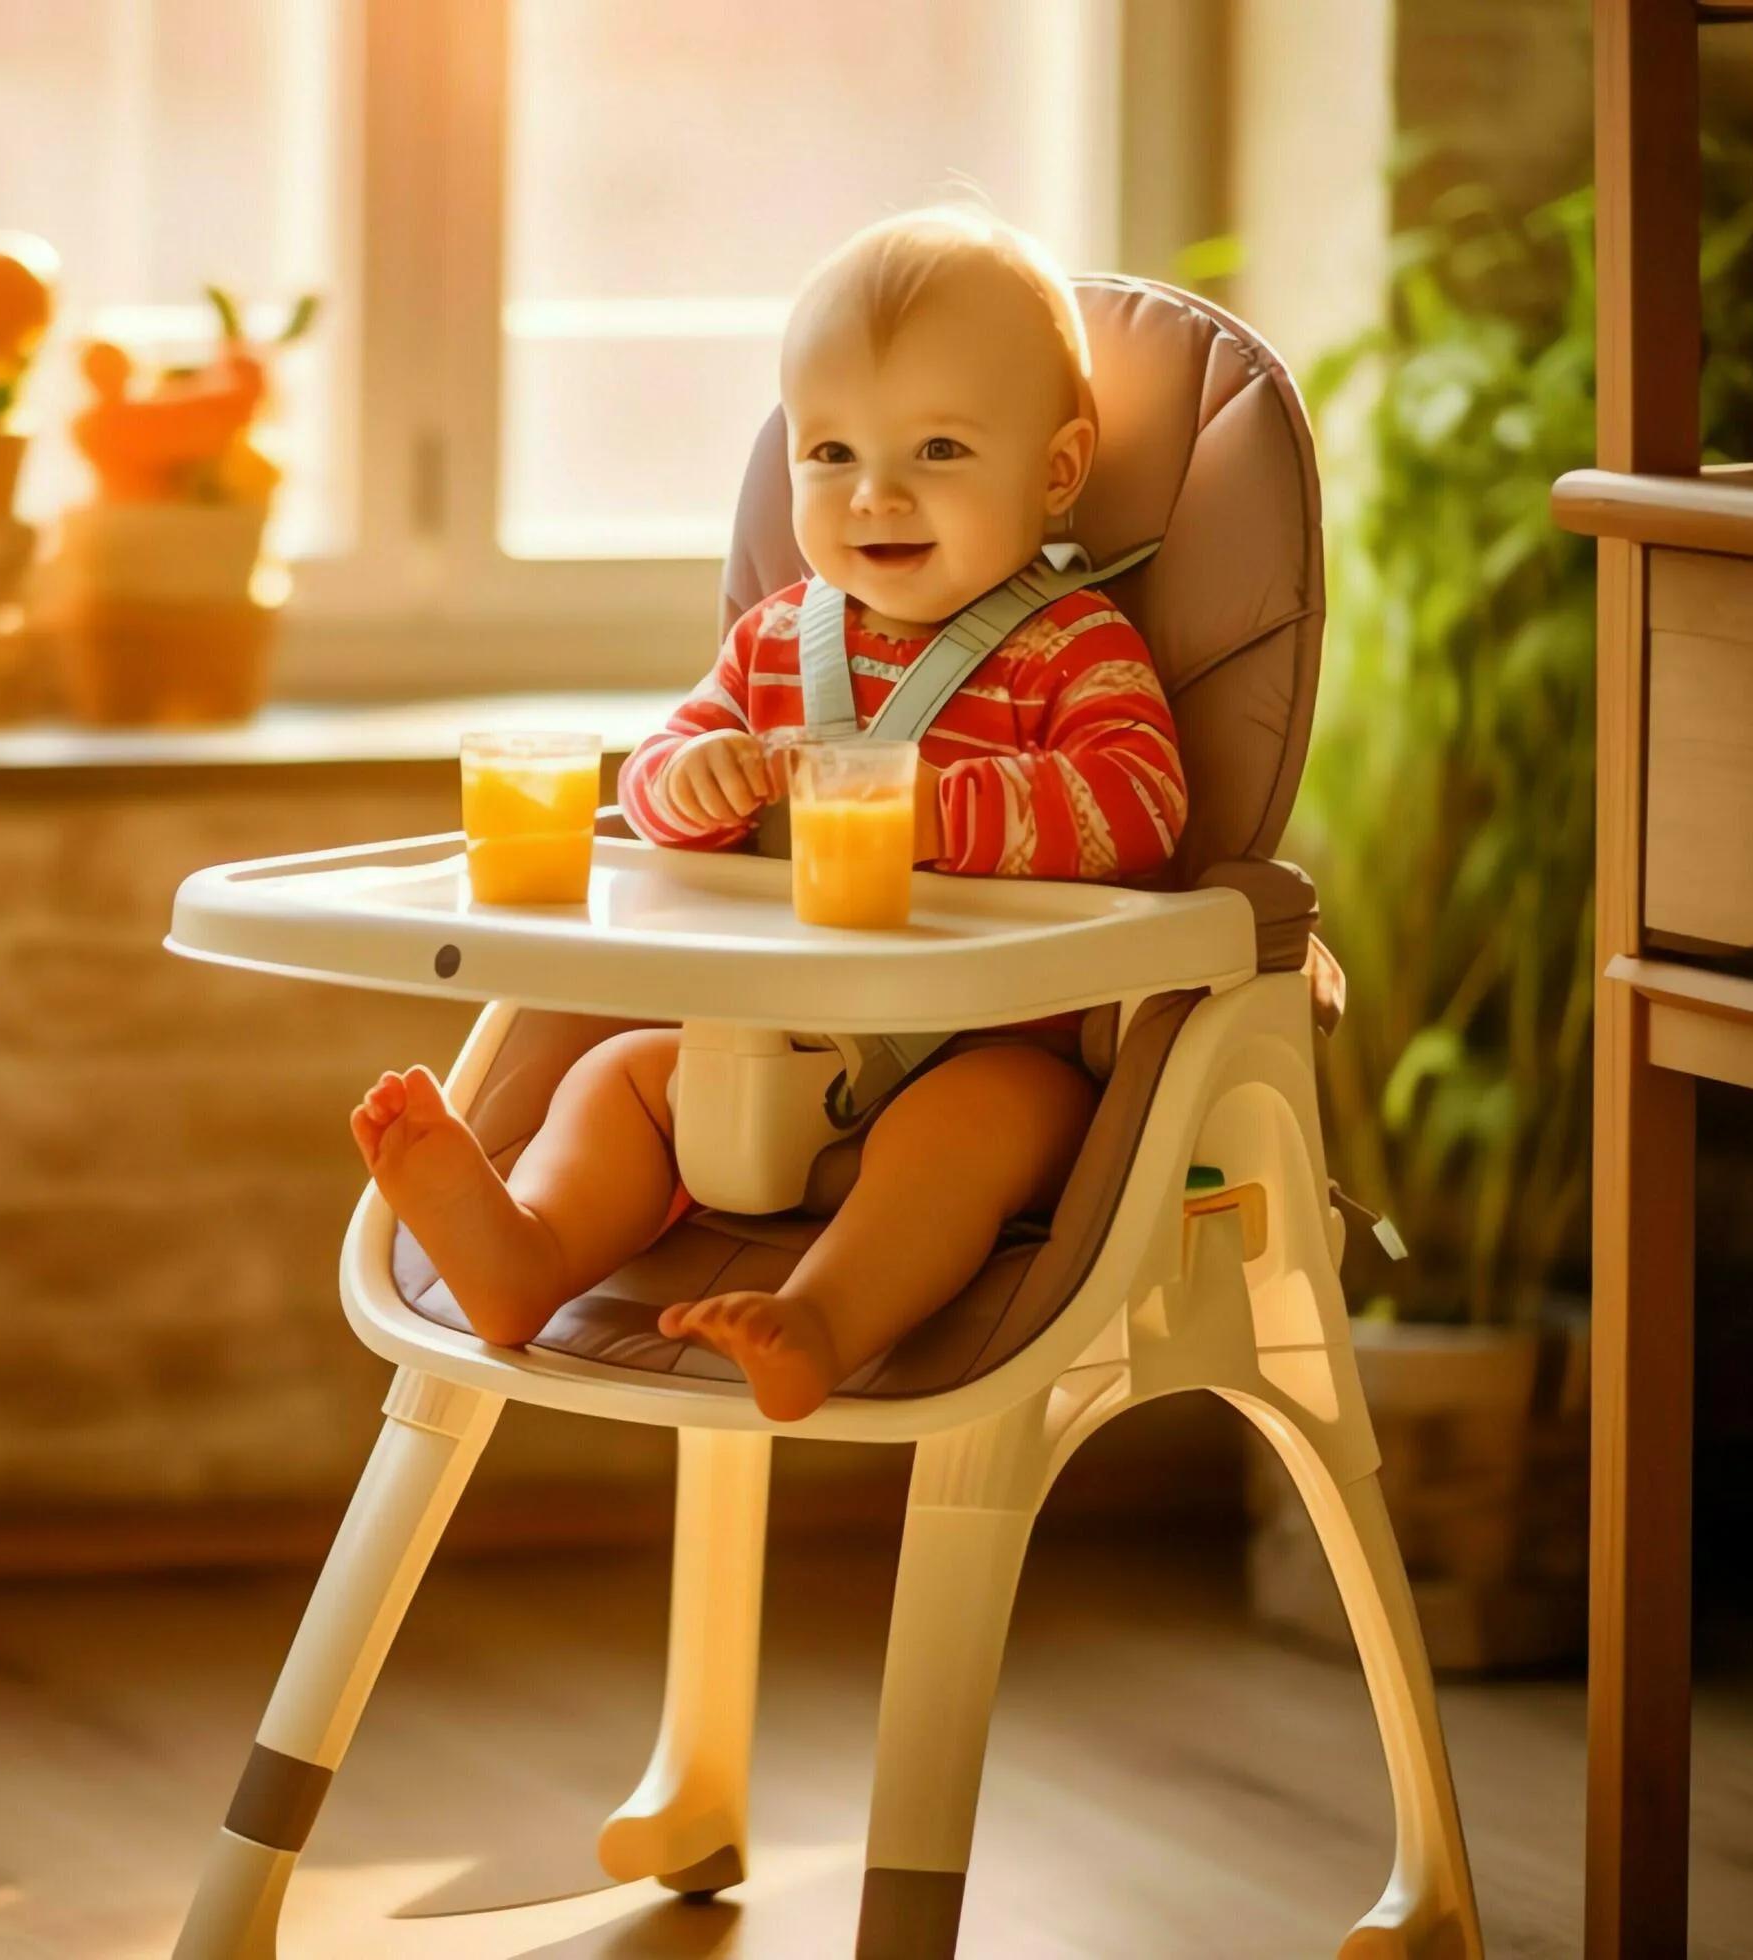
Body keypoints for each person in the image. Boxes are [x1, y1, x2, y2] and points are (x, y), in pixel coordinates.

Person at [350, 209, 1187, 1421]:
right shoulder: (777, 642)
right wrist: (690, 781)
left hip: (994, 1043)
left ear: (1057, 474)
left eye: (939, 448)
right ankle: (527, 1248)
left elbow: (1141, 803)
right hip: (779, 1045)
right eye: (831, 452)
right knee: (622, 1080)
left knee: (970, 1126)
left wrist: (936, 813)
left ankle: (822, 1317)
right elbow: (656, 780)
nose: (876, 494)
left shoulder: (1073, 645)